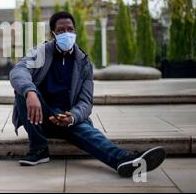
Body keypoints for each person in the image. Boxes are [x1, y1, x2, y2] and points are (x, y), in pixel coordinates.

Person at [9, 11, 166, 177]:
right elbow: (18, 71)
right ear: (52, 34)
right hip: (39, 116)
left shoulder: (83, 62)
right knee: (22, 91)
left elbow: (85, 101)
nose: (66, 34)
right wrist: (30, 92)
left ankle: (124, 159)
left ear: (75, 32)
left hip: (67, 119)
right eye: (61, 30)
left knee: (91, 134)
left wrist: (73, 117)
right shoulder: (40, 53)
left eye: (70, 29)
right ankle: (39, 150)